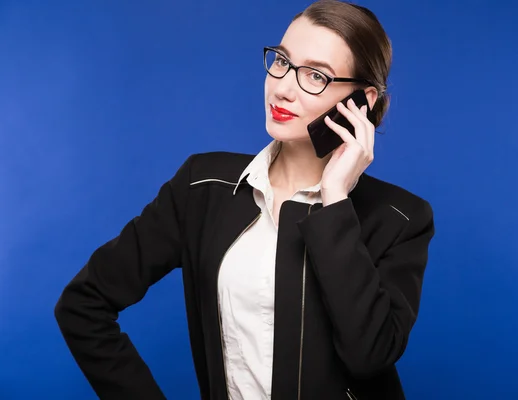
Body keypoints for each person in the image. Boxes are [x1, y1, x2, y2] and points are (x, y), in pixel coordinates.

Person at [54, 0, 435, 399]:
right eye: (282, 62)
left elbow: (369, 357)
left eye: (316, 76)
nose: (283, 87)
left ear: (363, 101)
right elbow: (84, 304)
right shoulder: (202, 186)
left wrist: (335, 199)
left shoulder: (400, 219)